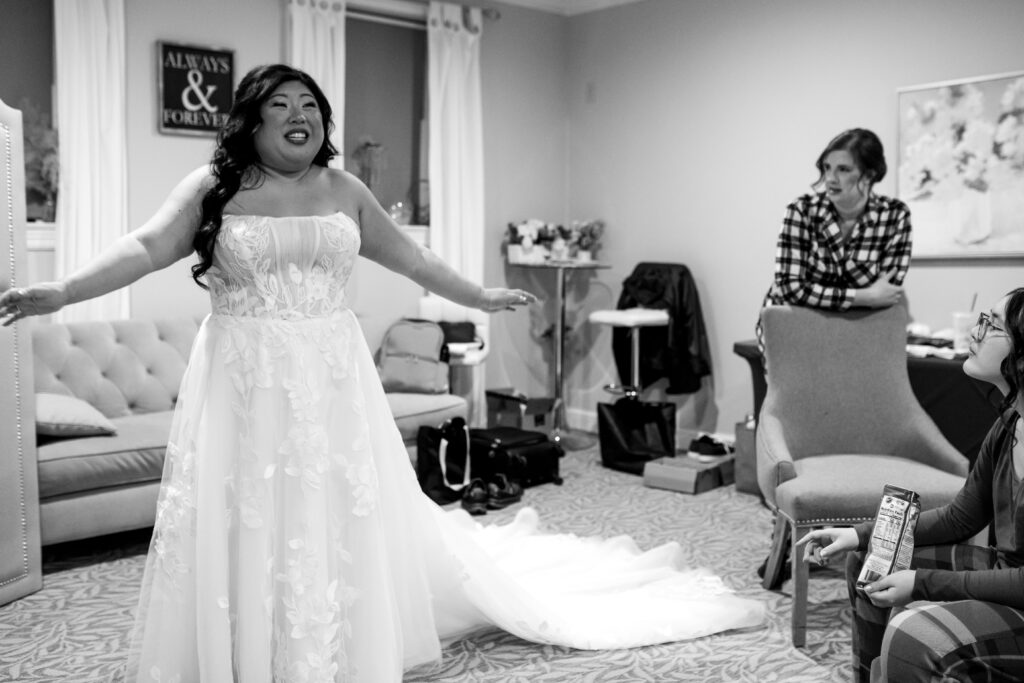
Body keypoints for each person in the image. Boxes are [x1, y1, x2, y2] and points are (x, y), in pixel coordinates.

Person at [0, 64, 764, 681]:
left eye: (311, 103)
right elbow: (142, 247)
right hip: (242, 376)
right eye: (280, 104)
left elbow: (415, 257)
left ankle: (336, 641)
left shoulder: (343, 191)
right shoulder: (214, 189)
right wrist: (59, 291)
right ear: (251, 121)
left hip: (330, 376)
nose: (299, 113)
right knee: (250, 507)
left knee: (334, 505)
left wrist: (479, 292)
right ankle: (248, 643)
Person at [799, 287, 1024, 683]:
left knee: (912, 634)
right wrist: (860, 534)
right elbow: (959, 518)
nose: (976, 330)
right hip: (1007, 573)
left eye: (993, 326)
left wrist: (924, 583)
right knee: (871, 561)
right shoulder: (1009, 425)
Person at [756, 128, 912, 351]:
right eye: (827, 167)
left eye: (843, 169)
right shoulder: (801, 211)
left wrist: (819, 295)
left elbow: (887, 293)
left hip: (855, 334)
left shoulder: (895, 215)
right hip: (792, 331)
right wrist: (863, 296)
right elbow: (790, 289)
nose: (830, 179)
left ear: (869, 175)